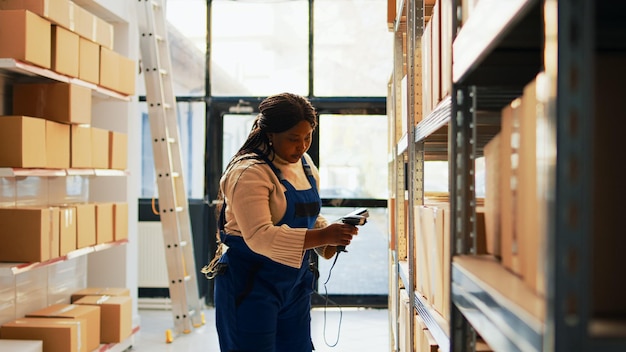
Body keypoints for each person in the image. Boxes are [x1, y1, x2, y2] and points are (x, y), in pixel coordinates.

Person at [205, 92, 359, 352]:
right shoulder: (249, 172)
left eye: (308, 137)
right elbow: (260, 236)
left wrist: (328, 241)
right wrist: (323, 237)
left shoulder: (305, 165)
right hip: (250, 283)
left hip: (293, 283)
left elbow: (309, 216)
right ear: (269, 134)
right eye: (293, 139)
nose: (302, 147)